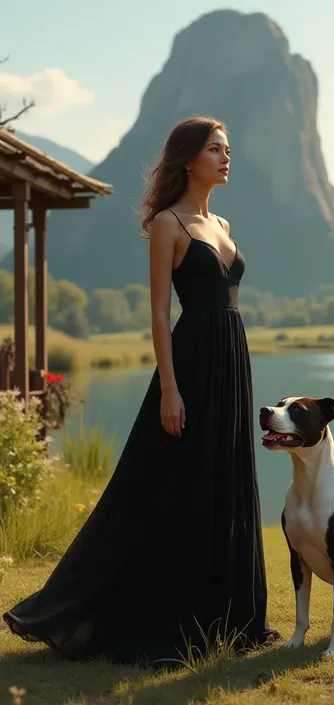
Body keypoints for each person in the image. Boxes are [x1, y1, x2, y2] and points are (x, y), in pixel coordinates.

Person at [3, 116, 279, 667]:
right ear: (187, 160)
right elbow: (158, 314)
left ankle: (229, 615)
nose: (226, 158)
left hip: (232, 361)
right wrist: (169, 390)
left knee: (226, 479)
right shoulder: (167, 224)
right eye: (215, 149)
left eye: (228, 149)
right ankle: (151, 613)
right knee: (165, 485)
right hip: (193, 362)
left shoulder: (222, 221)